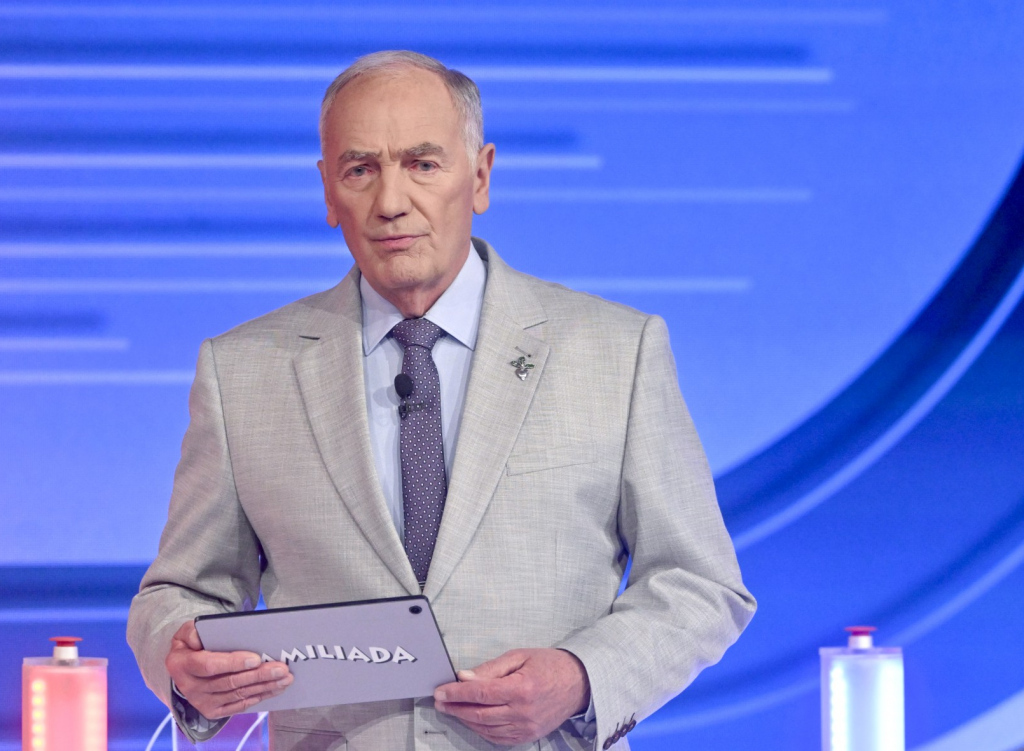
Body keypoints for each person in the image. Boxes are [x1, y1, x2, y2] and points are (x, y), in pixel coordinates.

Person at [127, 50, 756, 751]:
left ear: (480, 176)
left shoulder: (616, 351)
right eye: (360, 170)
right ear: (328, 191)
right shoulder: (244, 371)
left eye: (423, 164)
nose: (391, 201)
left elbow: (700, 582)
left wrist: (581, 678)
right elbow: (178, 595)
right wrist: (182, 661)